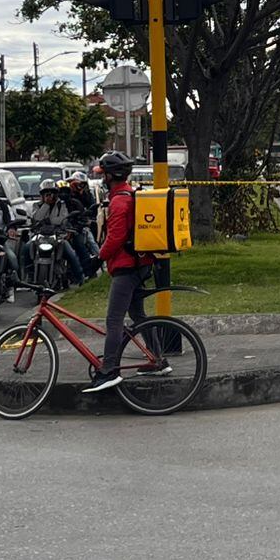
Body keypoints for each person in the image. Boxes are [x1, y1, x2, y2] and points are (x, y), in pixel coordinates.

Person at [83, 150, 155, 393]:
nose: (102, 179)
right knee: (138, 316)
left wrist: (97, 258)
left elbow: (115, 237)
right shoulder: (128, 194)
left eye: (103, 175)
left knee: (114, 320)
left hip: (126, 268)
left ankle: (109, 370)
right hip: (139, 265)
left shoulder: (119, 201)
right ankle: (157, 360)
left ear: (111, 176)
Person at [25, 178, 85, 285]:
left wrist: (49, 220)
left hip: (57, 235)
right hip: (40, 236)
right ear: (42, 195)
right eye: (46, 194)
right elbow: (36, 218)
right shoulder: (36, 205)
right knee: (26, 248)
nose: (50, 196)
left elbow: (62, 219)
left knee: (70, 253)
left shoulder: (61, 205)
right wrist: (46, 205)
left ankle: (80, 277)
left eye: (52, 193)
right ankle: (29, 274)